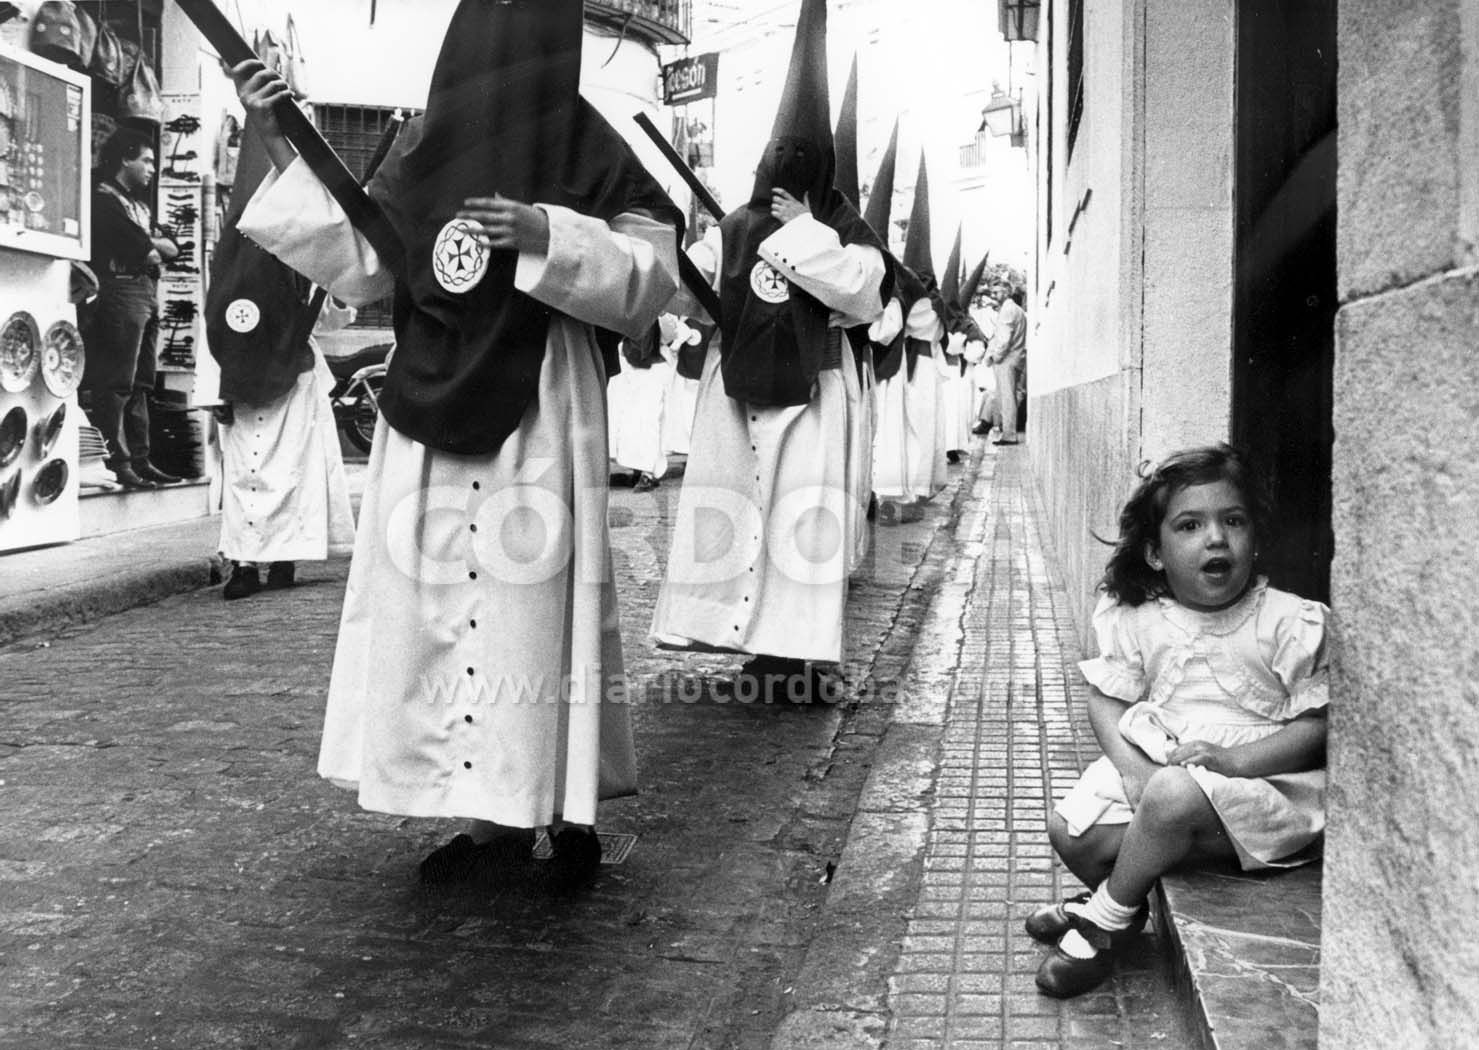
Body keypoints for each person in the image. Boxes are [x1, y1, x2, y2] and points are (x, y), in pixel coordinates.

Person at [229, 0, 681, 889]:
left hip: (543, 402)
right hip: (430, 396)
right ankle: (486, 821)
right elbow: (366, 261)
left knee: (536, 616)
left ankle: (561, 810)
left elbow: (650, 275)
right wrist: (278, 142)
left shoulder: (592, 146)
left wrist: (553, 235)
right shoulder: (423, 142)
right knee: (436, 608)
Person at [650, 0, 889, 702]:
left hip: (814, 393)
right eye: (777, 157)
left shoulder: (845, 226)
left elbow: (865, 299)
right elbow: (685, 291)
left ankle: (798, 651)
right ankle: (744, 642)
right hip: (735, 389)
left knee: (799, 520)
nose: (785, 168)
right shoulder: (731, 224)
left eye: (800, 160)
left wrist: (806, 232)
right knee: (735, 512)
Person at [1029, 445, 1329, 998]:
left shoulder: (1288, 620)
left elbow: (1319, 726)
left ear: (1254, 538)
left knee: (1171, 795)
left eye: (1233, 521)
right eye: (1190, 525)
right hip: (1170, 785)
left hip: (1263, 789)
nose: (1216, 538)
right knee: (1070, 829)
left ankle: (1106, 920)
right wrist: (1131, 770)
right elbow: (1106, 701)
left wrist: (1235, 762)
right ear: (1156, 553)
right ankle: (1121, 892)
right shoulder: (1141, 619)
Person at [215, 296, 357, 600]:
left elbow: (324, 319)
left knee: (291, 468)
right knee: (244, 471)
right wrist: (214, 393)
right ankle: (244, 564)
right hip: (241, 371)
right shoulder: (233, 255)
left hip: (295, 375)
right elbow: (215, 315)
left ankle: (283, 558)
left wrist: (336, 291)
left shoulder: (301, 258)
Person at [78, 129, 181, 490]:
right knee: (117, 382)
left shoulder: (136, 203)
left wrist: (147, 241)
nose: (152, 168)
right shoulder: (104, 200)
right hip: (120, 290)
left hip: (147, 292)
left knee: (141, 382)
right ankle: (117, 461)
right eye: (147, 160)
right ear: (125, 158)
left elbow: (173, 248)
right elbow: (152, 252)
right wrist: (149, 242)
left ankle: (140, 458)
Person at [986, 285, 1027, 445]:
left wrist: (995, 357)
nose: (994, 295)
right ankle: (1008, 432)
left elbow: (1003, 339)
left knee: (1007, 397)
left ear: (1006, 291)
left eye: (996, 292)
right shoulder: (1017, 309)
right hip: (1016, 358)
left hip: (1007, 360)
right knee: (1009, 396)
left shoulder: (1007, 310)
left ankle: (1009, 434)